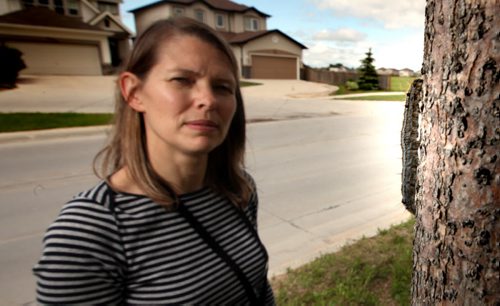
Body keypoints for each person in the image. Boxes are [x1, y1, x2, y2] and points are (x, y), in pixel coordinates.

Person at [33, 17, 275, 305]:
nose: (207, 99)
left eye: (222, 86)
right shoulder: (90, 230)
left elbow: (258, 289)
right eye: (182, 80)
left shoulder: (238, 190)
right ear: (134, 93)